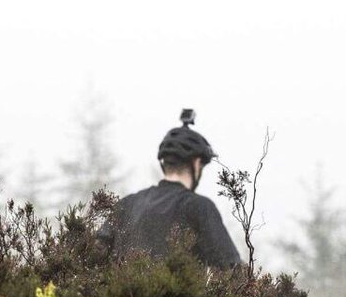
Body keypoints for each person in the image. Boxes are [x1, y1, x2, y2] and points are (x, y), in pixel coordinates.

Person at [98, 110, 241, 269]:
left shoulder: (126, 204)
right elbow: (232, 270)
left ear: (164, 162)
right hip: (179, 287)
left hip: (123, 285)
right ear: (196, 163)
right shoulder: (199, 207)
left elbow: (94, 254)